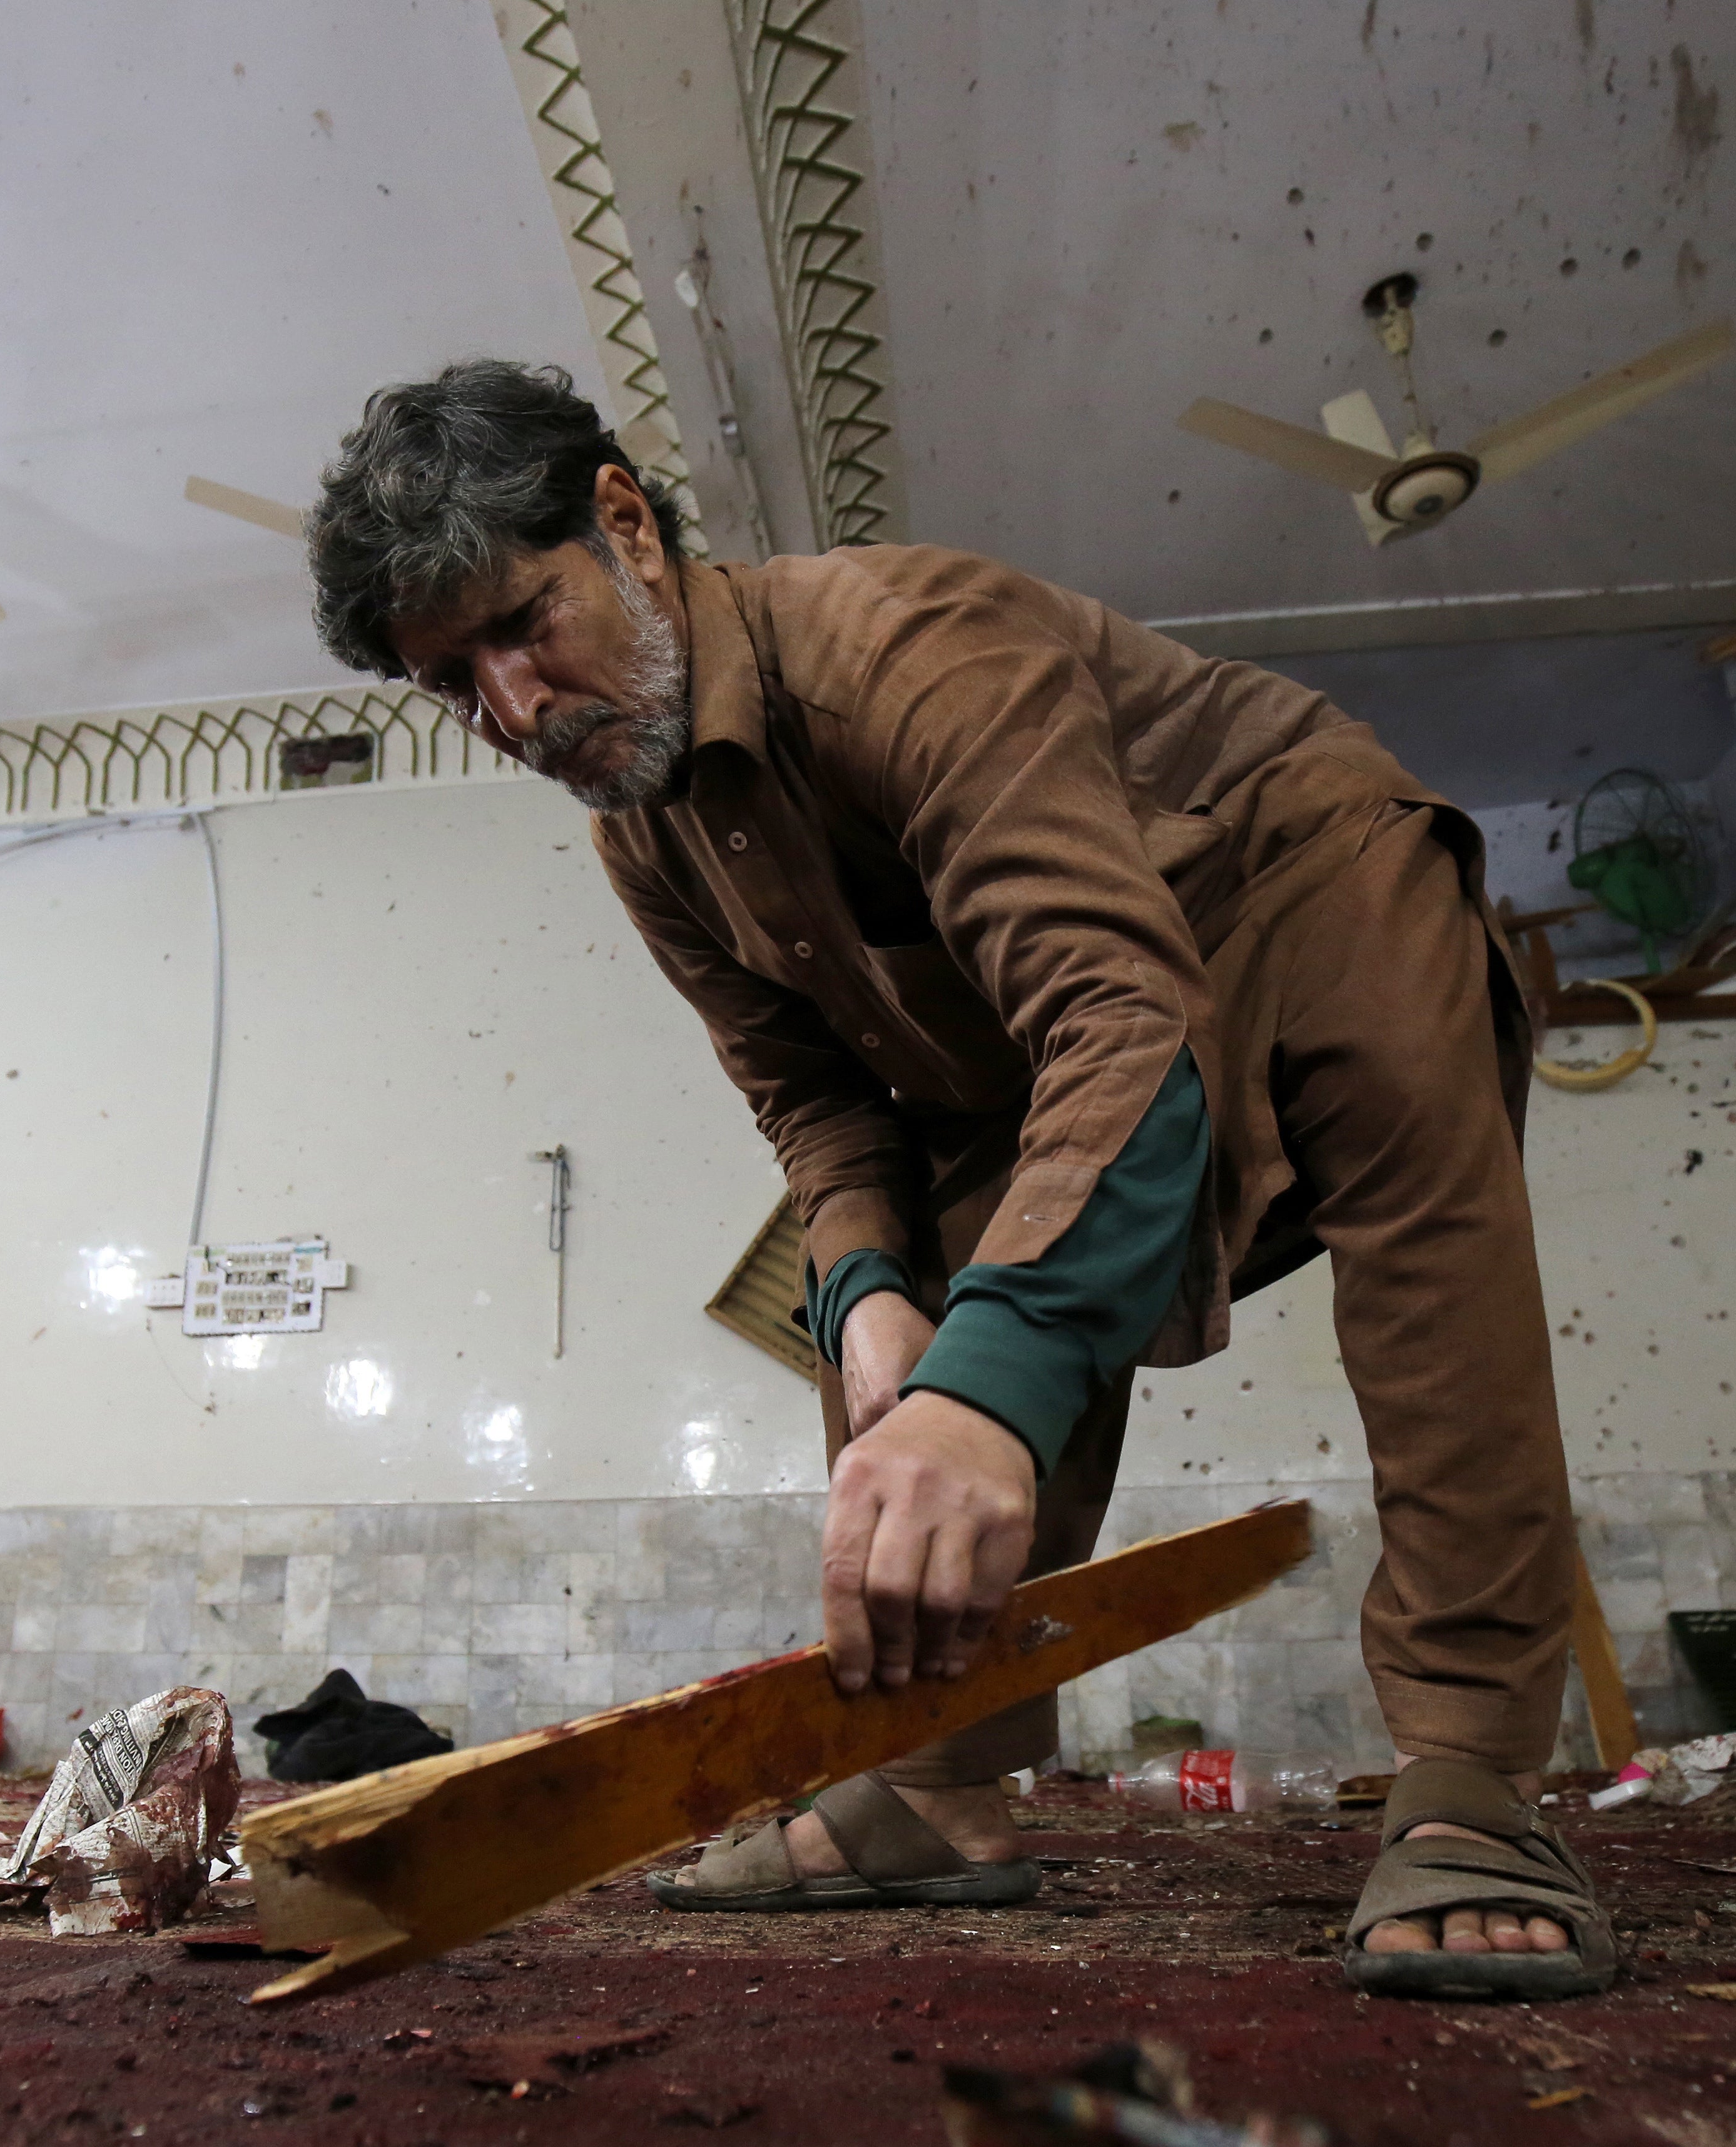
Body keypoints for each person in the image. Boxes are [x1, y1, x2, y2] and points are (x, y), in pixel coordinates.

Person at [302, 362, 1611, 1997]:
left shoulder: (908, 647)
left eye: (520, 625)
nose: (510, 709)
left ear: (626, 525)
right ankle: (937, 1784)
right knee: (909, 1330)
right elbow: (817, 1105)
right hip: (1032, 1049)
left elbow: (1118, 1005)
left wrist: (995, 1394)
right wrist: (869, 1307)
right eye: (452, 684)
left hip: (1303, 892)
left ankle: (1473, 1774)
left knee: (1428, 1263)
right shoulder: (642, 832)